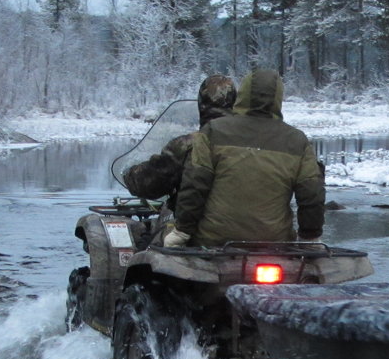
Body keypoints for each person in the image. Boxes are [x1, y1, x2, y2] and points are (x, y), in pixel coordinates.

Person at [167, 68, 325, 248]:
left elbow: (195, 184)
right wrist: (310, 237)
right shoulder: (297, 140)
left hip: (213, 241)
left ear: (242, 93)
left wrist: (182, 231)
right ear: (278, 98)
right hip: (275, 243)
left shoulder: (213, 131)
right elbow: (312, 193)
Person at [122, 74, 237, 210]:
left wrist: (129, 175)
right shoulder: (251, 143)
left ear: (201, 104)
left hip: (196, 227)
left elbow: (148, 183)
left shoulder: (187, 145)